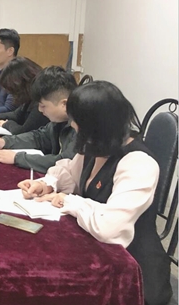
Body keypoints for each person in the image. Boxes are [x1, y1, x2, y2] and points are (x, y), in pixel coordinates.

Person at [17, 81, 172, 305]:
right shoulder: (97, 145)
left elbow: (110, 226)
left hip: (132, 273)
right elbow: (70, 172)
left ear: (96, 126)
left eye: (77, 123)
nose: (73, 127)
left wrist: (68, 200)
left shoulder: (139, 164)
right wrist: (47, 184)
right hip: (95, 252)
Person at [0, 66, 77, 173]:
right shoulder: (59, 120)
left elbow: (64, 162)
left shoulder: (81, 126)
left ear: (64, 104)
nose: (40, 110)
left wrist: (17, 158)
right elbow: (39, 137)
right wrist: (5, 142)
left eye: (43, 106)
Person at [0, 57, 48, 134]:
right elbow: (15, 115)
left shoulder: (41, 102)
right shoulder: (30, 96)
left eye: (13, 90)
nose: (13, 94)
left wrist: (7, 124)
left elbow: (23, 131)